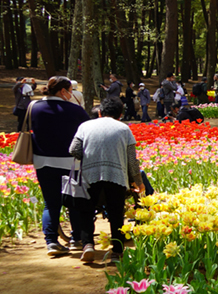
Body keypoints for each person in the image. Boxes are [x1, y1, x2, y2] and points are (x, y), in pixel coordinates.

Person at [69, 98, 143, 264]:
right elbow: (132, 160)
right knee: (116, 213)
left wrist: (88, 157)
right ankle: (116, 251)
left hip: (90, 175)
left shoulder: (85, 126)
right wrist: (138, 181)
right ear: (121, 115)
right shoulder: (124, 129)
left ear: (100, 112)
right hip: (116, 176)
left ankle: (88, 245)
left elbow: (73, 149)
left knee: (87, 210)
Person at [29, 77, 90, 257]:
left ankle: (51, 242)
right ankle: (76, 239)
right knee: (74, 202)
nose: (71, 94)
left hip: (42, 161)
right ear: (63, 91)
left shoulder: (34, 108)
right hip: (70, 162)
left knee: (51, 203)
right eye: (70, 90)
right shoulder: (75, 110)